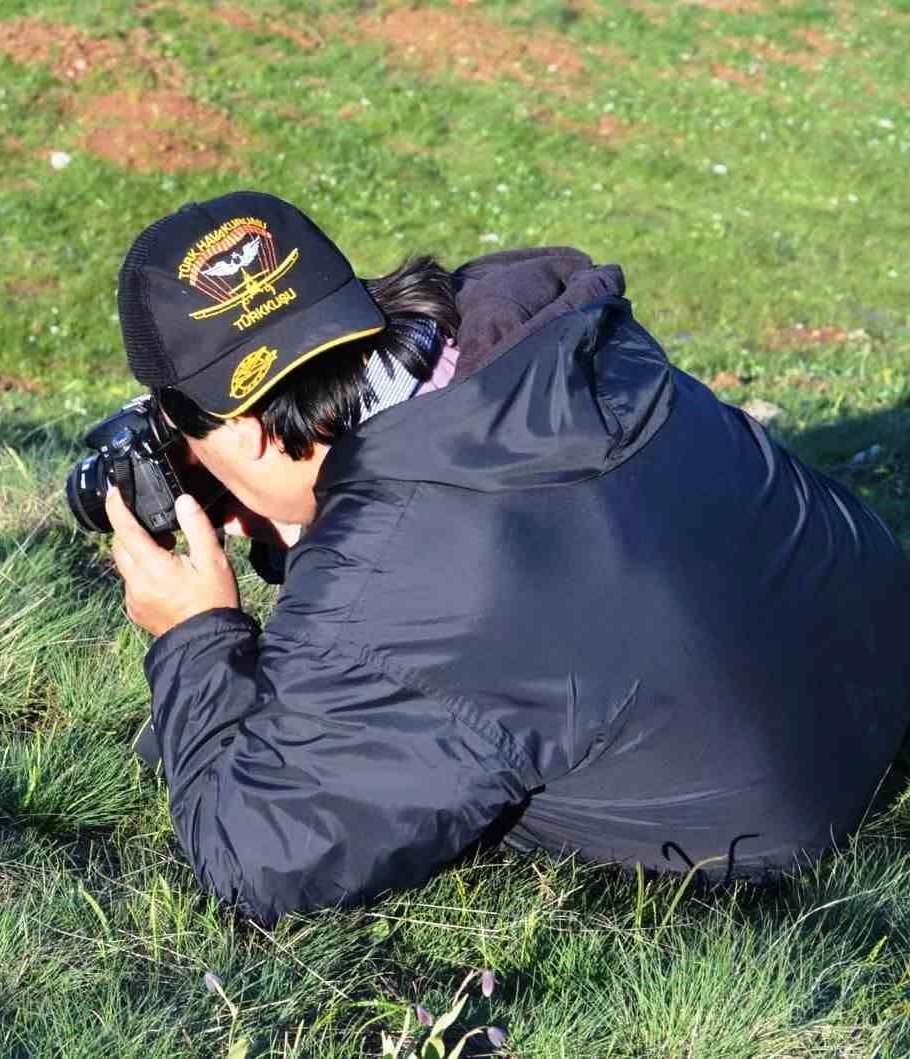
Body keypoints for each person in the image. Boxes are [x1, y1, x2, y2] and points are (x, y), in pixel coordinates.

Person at [103, 190, 910, 925]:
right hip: (872, 649)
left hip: (779, 814)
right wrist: (322, 530)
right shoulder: (540, 344)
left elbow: (255, 857)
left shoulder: (401, 576)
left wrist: (194, 635)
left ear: (244, 432)